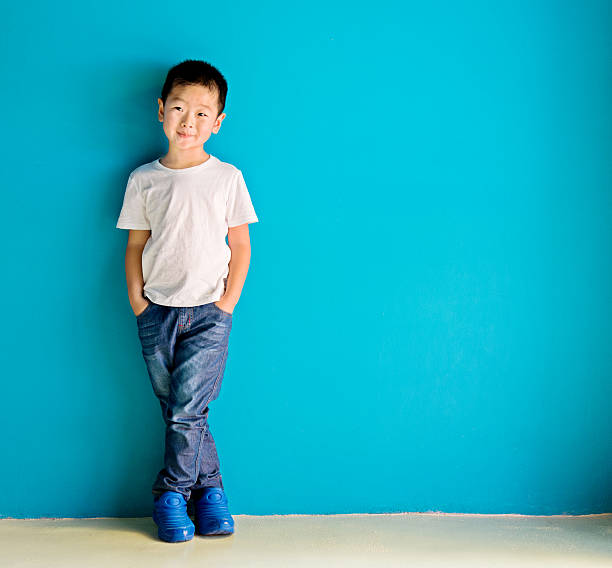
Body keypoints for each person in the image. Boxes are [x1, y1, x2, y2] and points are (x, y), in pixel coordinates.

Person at [115, 59, 259, 542]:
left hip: (208, 314)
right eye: (179, 108)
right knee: (178, 408)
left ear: (217, 123)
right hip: (156, 312)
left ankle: (172, 492)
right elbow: (136, 245)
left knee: (186, 412)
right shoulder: (144, 180)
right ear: (161, 111)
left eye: (202, 113)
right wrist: (138, 301)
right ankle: (211, 490)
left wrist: (228, 303)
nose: (188, 121)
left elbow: (241, 244)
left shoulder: (227, 178)